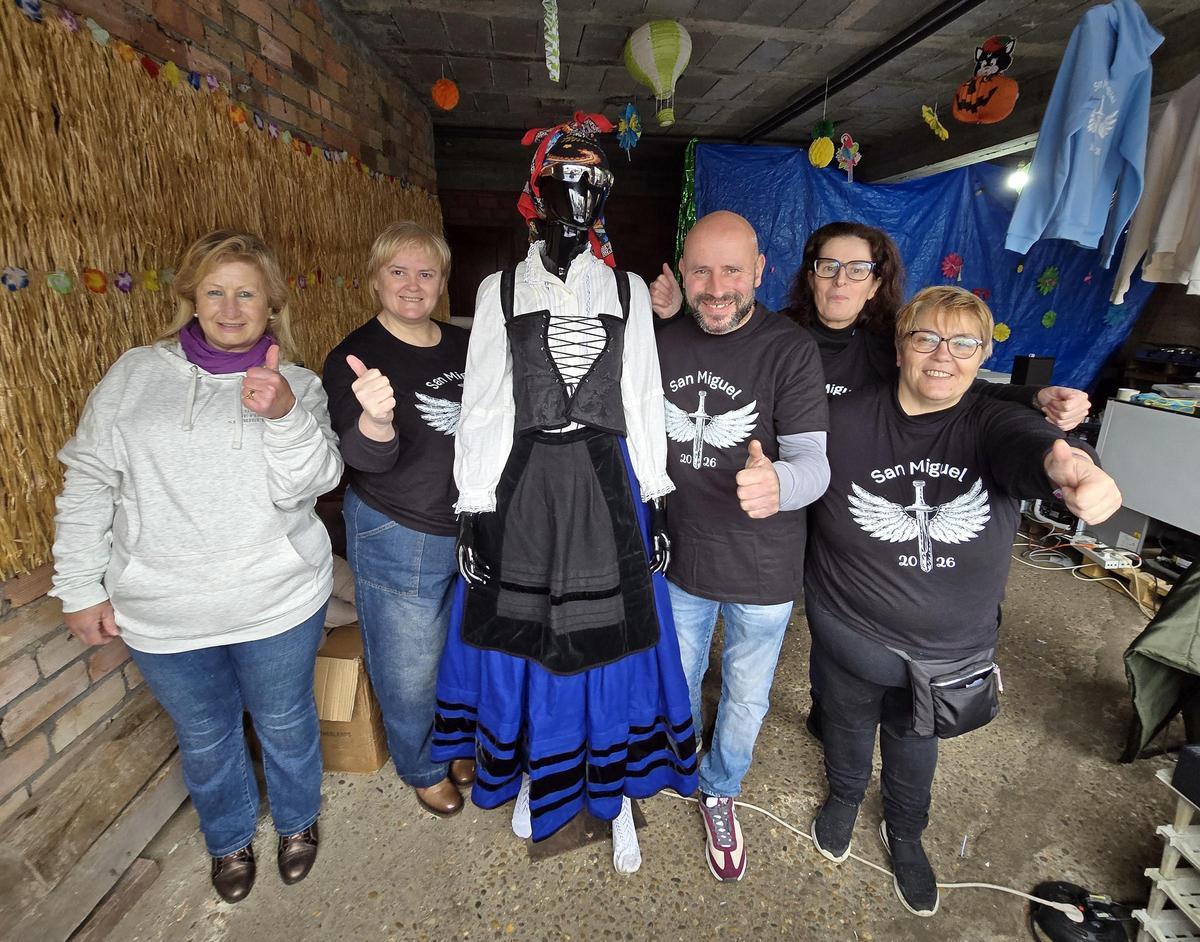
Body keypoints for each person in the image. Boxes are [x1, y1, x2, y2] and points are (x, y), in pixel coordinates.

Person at [431, 113, 698, 873]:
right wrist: (473, 508)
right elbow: (483, 401)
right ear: (538, 188)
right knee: (529, 644)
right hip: (524, 491)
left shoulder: (627, 291)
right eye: (567, 180)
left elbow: (643, 398)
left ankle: (610, 797)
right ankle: (533, 778)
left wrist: (658, 496)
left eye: (595, 184)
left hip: (608, 486)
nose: (580, 197)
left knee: (610, 649)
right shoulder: (499, 289)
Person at [805, 285, 1121, 916]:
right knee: (843, 722)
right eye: (925, 337)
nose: (942, 356)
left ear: (982, 357)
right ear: (899, 348)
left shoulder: (992, 421)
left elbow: (1040, 449)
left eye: (964, 343)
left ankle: (907, 833)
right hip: (848, 628)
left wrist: (1077, 468)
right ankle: (842, 797)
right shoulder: (842, 420)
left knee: (915, 739)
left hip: (945, 655)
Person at [50, 230, 343, 903]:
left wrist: (285, 414)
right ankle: (230, 838)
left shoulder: (295, 383)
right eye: (216, 291)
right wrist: (77, 586)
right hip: (164, 609)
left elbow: (313, 481)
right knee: (206, 735)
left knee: (286, 721)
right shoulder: (135, 375)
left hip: (274, 600)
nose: (231, 306)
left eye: (246, 292)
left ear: (272, 303)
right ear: (192, 298)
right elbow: (89, 478)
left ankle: (298, 823)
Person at [653, 211, 831, 881]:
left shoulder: (790, 350)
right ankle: (671, 763)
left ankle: (721, 790)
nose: (717, 287)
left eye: (733, 270)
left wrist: (778, 482)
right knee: (678, 676)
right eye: (701, 269)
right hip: (684, 556)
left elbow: (815, 465)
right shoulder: (663, 340)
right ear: (683, 272)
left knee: (747, 696)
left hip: (765, 566)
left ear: (760, 271)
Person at [321, 222, 474, 817]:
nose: (413, 285)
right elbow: (359, 460)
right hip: (398, 527)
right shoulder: (355, 358)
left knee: (461, 647)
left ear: (442, 281)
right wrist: (376, 421)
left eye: (426, 272)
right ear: (376, 278)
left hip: (470, 523)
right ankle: (422, 763)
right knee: (408, 660)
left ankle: (458, 739)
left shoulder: (464, 346)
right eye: (398, 272)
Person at [651, 221, 1091, 427]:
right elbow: (711, 356)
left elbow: (953, 383)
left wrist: (1036, 398)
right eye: (828, 267)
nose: (841, 279)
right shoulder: (776, 337)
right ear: (810, 275)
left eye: (858, 268)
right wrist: (677, 319)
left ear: (877, 282)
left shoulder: (892, 346)